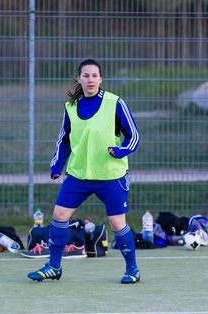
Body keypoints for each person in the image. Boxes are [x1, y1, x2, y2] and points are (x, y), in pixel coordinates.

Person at [27, 58, 140, 284]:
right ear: (79, 78)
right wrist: (57, 165)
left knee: (117, 223)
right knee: (59, 216)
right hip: (79, 175)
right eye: (86, 76)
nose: (90, 80)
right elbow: (64, 140)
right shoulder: (70, 107)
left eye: (94, 76)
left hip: (110, 176)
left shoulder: (115, 103)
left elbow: (134, 137)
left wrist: (120, 151)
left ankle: (132, 270)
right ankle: (54, 267)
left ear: (101, 79)